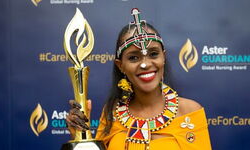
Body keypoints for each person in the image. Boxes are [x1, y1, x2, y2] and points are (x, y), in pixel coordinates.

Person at [66, 8, 212, 150]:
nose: (145, 64)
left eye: (153, 54)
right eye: (133, 57)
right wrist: (80, 136)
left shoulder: (189, 111)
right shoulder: (111, 113)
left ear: (164, 58)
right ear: (120, 65)